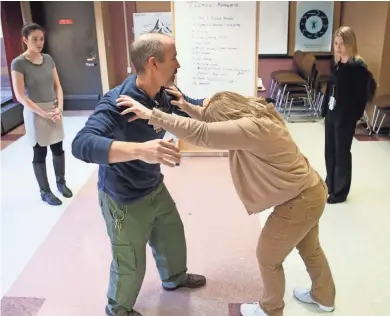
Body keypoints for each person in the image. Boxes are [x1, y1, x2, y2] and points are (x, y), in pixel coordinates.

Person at [117, 89, 336, 316]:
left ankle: (270, 309)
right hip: (311, 191)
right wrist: (186, 106)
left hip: (299, 201)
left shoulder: (252, 129)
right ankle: (324, 297)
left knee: (268, 256)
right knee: (310, 249)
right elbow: (212, 123)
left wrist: (152, 115)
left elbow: (203, 132)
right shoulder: (257, 114)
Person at [71, 33, 207, 316]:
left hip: (153, 186)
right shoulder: (118, 102)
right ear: (153, 63)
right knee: (130, 261)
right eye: (174, 58)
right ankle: (117, 310)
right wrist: (139, 150)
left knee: (172, 235)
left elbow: (195, 106)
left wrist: (233, 108)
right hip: (122, 197)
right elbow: (81, 144)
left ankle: (174, 279)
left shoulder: (165, 93)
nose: (178, 64)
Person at [11, 23, 72, 206]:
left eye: (41, 39)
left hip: (53, 110)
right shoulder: (18, 63)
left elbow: (57, 86)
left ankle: (61, 183)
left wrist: (59, 108)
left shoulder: (48, 59)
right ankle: (45, 192)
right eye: (34, 39)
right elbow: (20, 95)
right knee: (39, 153)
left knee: (58, 149)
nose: (39, 43)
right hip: (34, 112)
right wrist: (42, 113)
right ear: (24, 40)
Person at [324, 26, 371, 204]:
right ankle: (331, 183)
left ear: (350, 44)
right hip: (332, 113)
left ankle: (340, 191)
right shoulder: (338, 64)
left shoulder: (358, 67)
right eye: (336, 43)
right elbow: (331, 88)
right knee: (330, 150)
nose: (338, 47)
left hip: (345, 117)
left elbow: (361, 96)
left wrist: (354, 116)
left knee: (342, 153)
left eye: (342, 44)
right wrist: (325, 110)